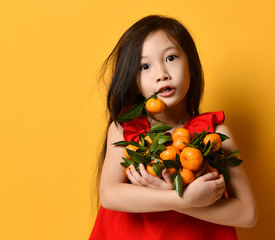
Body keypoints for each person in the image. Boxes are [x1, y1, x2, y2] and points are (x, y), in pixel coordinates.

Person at [89, 15, 257, 239]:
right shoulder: (126, 129)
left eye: (171, 57)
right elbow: (110, 195)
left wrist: (178, 198)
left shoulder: (214, 134)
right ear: (134, 82)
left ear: (192, 67)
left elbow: (248, 214)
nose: (162, 74)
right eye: (145, 66)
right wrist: (185, 198)